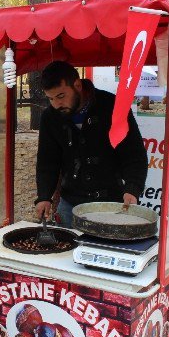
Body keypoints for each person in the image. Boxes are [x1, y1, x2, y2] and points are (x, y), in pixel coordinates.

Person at [35, 60, 148, 228]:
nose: (57, 104)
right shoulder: (50, 117)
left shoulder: (111, 106)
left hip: (110, 202)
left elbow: (133, 154)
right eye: (50, 98)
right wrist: (44, 196)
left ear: (77, 85)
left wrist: (132, 188)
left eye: (61, 96)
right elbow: (47, 160)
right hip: (70, 203)